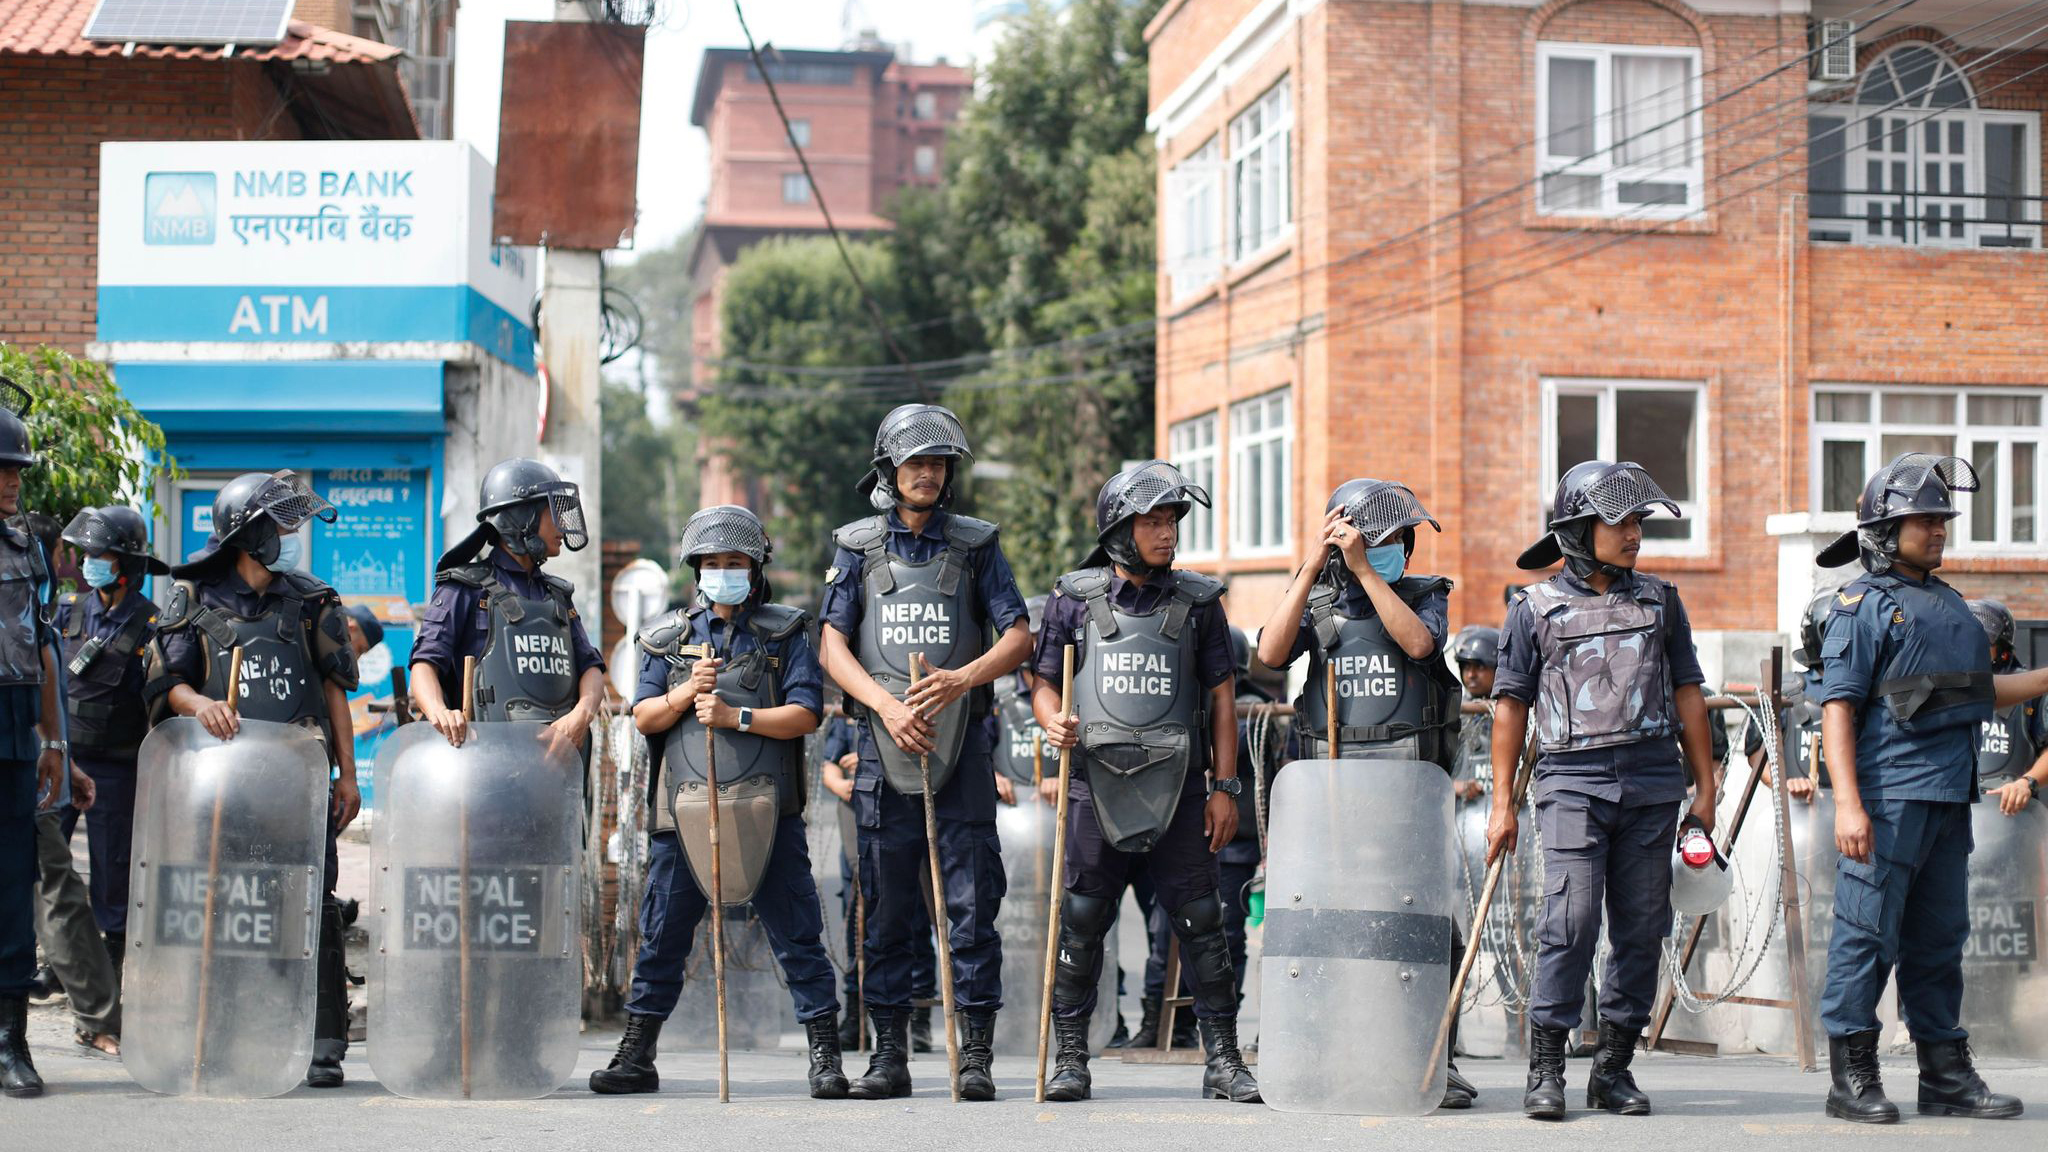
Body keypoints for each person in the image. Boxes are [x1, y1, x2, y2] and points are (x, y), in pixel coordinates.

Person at [1811, 454, 2048, 1124]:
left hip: (1949, 797)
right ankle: (1851, 1077)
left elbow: (1980, 692)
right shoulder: (1859, 606)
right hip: (1886, 799)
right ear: (1885, 527)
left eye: (1943, 517)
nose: (1940, 528)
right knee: (1866, 935)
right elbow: (1838, 707)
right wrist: (1849, 804)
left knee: (1940, 939)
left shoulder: (1949, 604)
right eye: (1925, 518)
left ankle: (1944, 1074)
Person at [1486, 460, 1719, 1120]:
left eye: (1639, 520)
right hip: (1571, 785)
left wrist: (1706, 787)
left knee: (1643, 929)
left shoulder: (1661, 600)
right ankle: (1548, 1067)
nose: (1634, 533)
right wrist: (1501, 804)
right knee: (1571, 920)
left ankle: (1613, 1068)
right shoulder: (1531, 608)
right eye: (1618, 520)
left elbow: (1688, 693)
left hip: (1651, 783)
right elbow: (1510, 707)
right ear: (1577, 530)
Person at [591, 505, 848, 1098]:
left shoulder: (784, 633)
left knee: (798, 933)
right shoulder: (665, 637)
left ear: (755, 568)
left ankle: (824, 1055)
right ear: (695, 569)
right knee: (662, 936)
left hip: (767, 810)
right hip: (680, 813)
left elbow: (806, 714)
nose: (723, 572)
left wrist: (738, 715)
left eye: (735, 562)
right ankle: (637, 1052)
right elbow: (643, 715)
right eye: (712, 563)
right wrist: (687, 691)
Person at [818, 404, 1032, 1101]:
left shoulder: (976, 546)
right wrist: (882, 705)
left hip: (963, 750)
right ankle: (889, 1055)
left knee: (971, 908)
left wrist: (962, 680)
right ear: (888, 468)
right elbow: (832, 646)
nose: (929, 472)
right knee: (885, 912)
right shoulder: (856, 547)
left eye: (940, 462)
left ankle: (974, 1056)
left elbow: (1019, 636)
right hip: (883, 755)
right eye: (916, 461)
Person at [1033, 460, 1258, 1105]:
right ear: (1118, 530)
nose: (1168, 534)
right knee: (1081, 918)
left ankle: (1223, 1060)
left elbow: (1221, 700)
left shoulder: (1200, 603)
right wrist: (1055, 725)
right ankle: (1071, 1058)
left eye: (1172, 522)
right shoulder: (1073, 597)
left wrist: (1225, 788)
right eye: (1153, 522)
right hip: (1094, 784)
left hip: (1182, 787)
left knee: (1202, 921)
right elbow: (1045, 682)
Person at [1256, 477, 1473, 1109]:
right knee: (1323, 927)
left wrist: (1367, 573)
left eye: (1392, 541)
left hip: (1405, 796)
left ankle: (1437, 1060)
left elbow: (1418, 644)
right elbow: (1270, 653)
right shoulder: (1320, 604)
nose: (1383, 549)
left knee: (1425, 931)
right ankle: (1318, 1051)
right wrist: (1313, 567)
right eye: (1368, 541)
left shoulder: (1425, 596)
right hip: (1332, 797)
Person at [141, 470, 361, 1088]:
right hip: (222, 787)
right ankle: (224, 1025)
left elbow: (336, 692)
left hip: (297, 785)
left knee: (311, 904)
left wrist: (346, 776)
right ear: (250, 534)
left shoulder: (313, 600)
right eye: (279, 524)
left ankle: (324, 1039)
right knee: (223, 904)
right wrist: (196, 704)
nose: (290, 534)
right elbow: (165, 683)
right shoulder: (192, 599)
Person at [409, 459, 605, 758]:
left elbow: (591, 667)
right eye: (552, 513)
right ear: (520, 518)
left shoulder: (558, 595)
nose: (563, 528)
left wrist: (582, 715)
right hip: (484, 764)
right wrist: (440, 713)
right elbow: (424, 665)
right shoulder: (463, 588)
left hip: (552, 766)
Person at [53, 506, 167, 989]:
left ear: (127, 563)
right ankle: (57, 964)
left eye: (101, 554)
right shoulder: (68, 610)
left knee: (111, 874)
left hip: (117, 770)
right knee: (46, 865)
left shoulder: (153, 624)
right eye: (88, 554)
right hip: (60, 761)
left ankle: (112, 972)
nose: (90, 561)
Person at [1, 396, 77, 1099]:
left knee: (12, 882)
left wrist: (57, 742)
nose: (11, 481)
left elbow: (47, 650)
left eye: (16, 469)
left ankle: (11, 1041)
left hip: (16, 723)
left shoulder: (26, 547)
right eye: (1, 469)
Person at [1742, 592, 1834, 802]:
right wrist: (1786, 786)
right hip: (1799, 816)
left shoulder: (1870, 691)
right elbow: (1756, 755)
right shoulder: (1785, 689)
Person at [1968, 599, 2046, 800]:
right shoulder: (1945, 686)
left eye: (1983, 643)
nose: (1971, 649)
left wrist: (2026, 782)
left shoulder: (2029, 692)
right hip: (1955, 815)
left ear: (2002, 649)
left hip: (2012, 819)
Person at [1451, 626, 1501, 803]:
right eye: (1466, 667)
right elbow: (1430, 773)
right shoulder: (1454, 716)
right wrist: (1453, 785)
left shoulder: (1520, 717)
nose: (1471, 674)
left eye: (1479, 666)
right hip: (1462, 818)